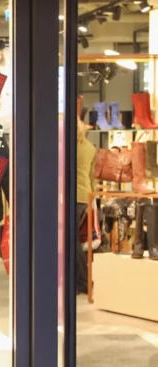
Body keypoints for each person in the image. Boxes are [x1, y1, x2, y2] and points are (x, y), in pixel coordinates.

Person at [76, 115, 96, 294]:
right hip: (85, 197)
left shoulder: (68, 147)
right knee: (76, 241)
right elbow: (92, 177)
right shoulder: (90, 148)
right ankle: (81, 280)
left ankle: (83, 281)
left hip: (72, 197)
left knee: (71, 242)